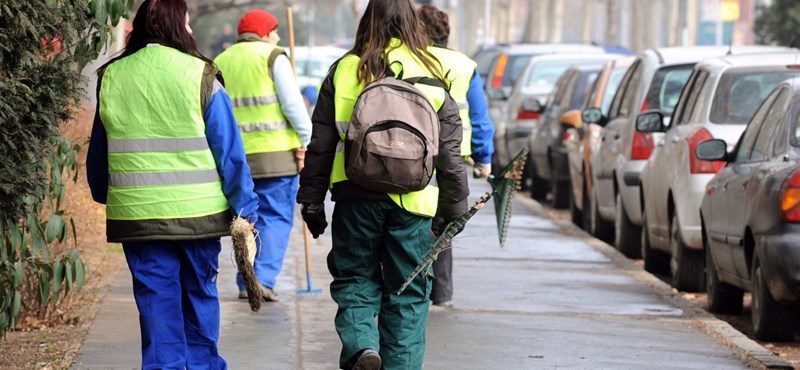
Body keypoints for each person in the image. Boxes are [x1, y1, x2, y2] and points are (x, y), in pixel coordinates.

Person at [86, 0, 259, 368]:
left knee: (156, 300)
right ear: (176, 25)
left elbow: (100, 150)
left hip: (139, 217)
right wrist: (245, 208)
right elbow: (229, 152)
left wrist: (104, 193)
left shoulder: (111, 76)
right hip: (199, 215)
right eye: (188, 21)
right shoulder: (201, 75)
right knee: (198, 294)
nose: (192, 30)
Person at [296, 1, 469, 369]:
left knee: (355, 279)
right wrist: (454, 213)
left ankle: (362, 346)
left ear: (367, 20)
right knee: (408, 294)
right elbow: (451, 155)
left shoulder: (344, 69)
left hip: (355, 196)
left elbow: (321, 145)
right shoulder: (432, 71)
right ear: (412, 23)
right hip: (414, 204)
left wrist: (311, 201)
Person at [214, 9, 312, 302]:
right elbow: (293, 105)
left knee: (245, 220)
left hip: (234, 159)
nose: (278, 36)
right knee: (276, 218)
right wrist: (309, 142)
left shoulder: (221, 61)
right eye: (274, 30)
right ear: (264, 33)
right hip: (276, 156)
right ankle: (263, 279)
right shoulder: (273, 56)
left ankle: (247, 280)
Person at [417, 4, 496, 309]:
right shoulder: (465, 65)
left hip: (410, 154)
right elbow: (480, 117)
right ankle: (441, 292)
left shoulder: (409, 58)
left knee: (412, 217)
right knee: (446, 220)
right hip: (452, 158)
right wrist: (483, 158)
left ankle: (410, 280)